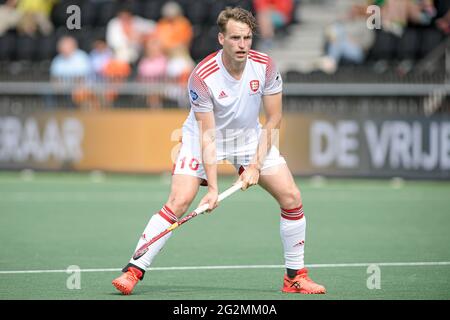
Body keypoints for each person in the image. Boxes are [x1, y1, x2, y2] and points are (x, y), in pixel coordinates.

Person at [112, 7, 326, 295]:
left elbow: (274, 119)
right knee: (179, 200)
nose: (243, 45)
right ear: (221, 39)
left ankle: (295, 277)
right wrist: (212, 188)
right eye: (236, 38)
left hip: (248, 137)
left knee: (291, 197)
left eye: (248, 38)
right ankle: (133, 270)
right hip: (202, 136)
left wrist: (254, 165)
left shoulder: (265, 66)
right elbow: (208, 135)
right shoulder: (202, 76)